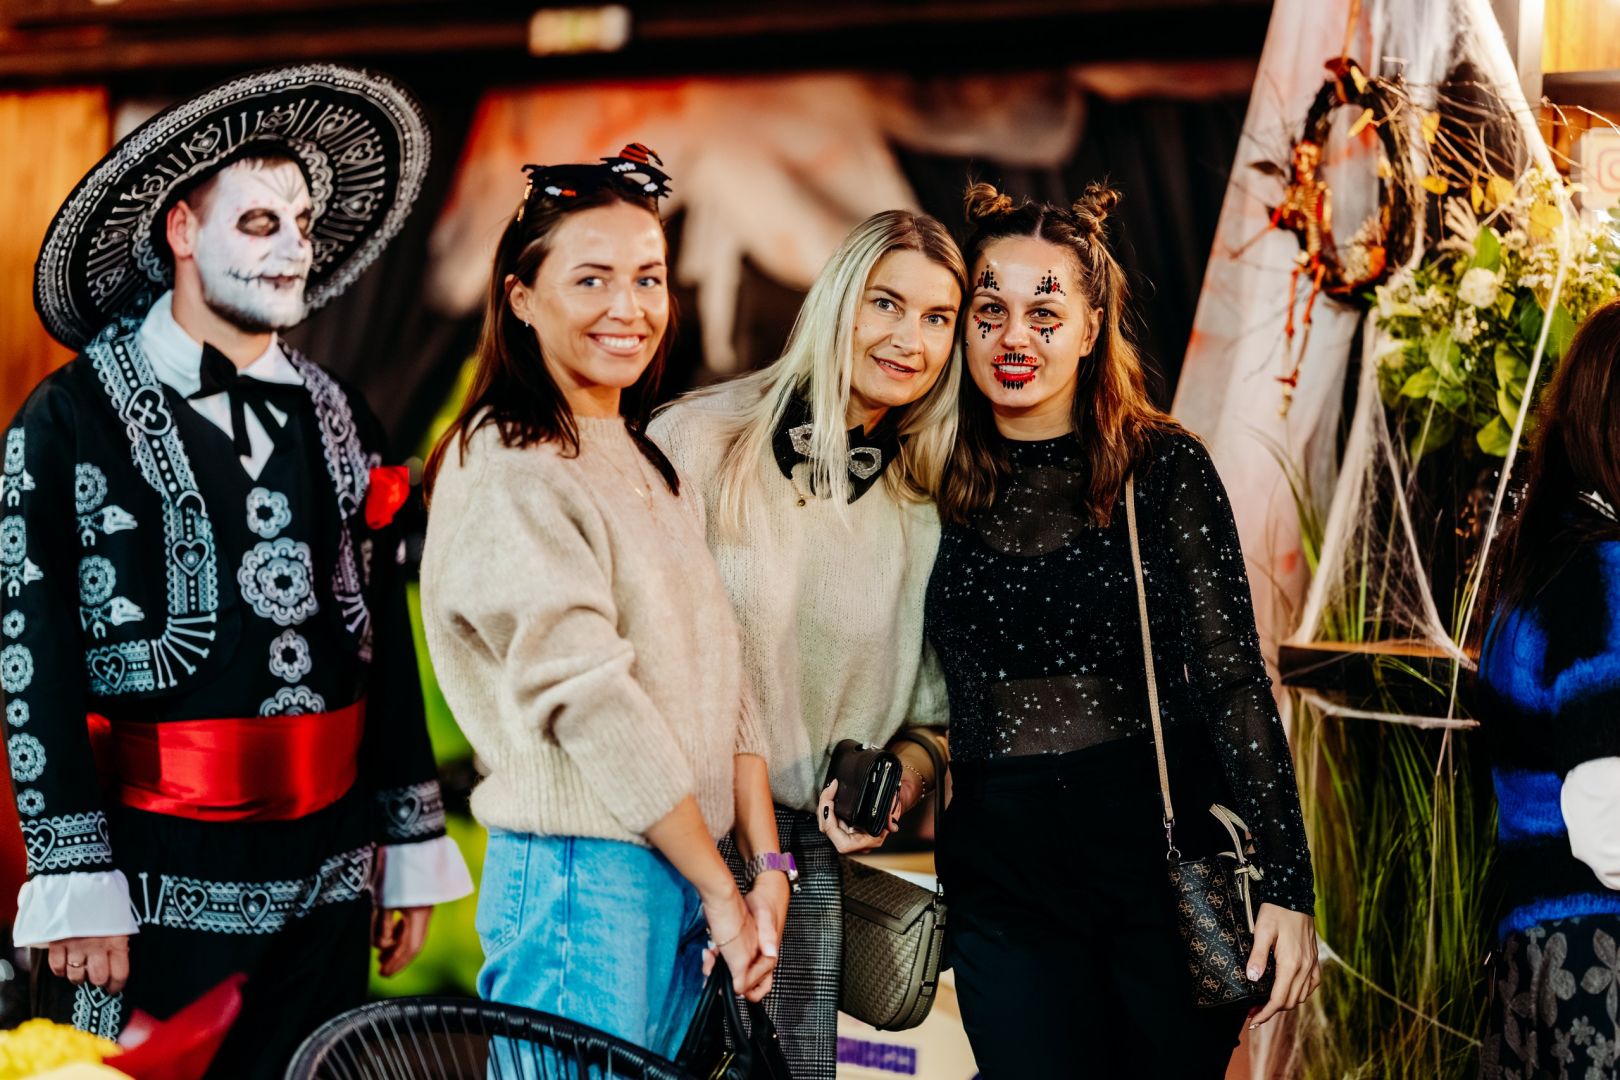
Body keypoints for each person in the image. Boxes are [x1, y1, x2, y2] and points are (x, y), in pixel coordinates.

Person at [5, 64, 471, 1075]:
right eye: (261, 223)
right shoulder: (68, 419)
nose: (295, 247)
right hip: (143, 887)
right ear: (181, 230)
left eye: (302, 224)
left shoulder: (344, 414)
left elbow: (382, 638)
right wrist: (75, 877)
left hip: (329, 882)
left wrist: (407, 838)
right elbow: (27, 655)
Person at [923, 182, 1319, 1077]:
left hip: (1155, 862)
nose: (1015, 337)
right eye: (990, 311)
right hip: (1001, 875)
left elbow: (1231, 678)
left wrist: (1289, 885)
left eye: (1045, 313)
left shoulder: (1161, 464)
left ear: (1092, 328)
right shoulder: (931, 471)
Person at [419, 145, 777, 1060]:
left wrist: (759, 865)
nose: (630, 307)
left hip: (676, 866)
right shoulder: (508, 459)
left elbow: (722, 668)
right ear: (521, 297)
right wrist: (721, 888)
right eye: (592, 279)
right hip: (582, 872)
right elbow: (589, 696)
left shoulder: (642, 456)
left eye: (648, 278)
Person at [648, 209, 962, 1078]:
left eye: (937, 317)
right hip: (669, 842)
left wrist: (894, 782)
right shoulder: (698, 440)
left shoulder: (922, 506)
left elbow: (933, 722)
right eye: (886, 303)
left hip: (804, 870)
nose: (910, 339)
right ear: (837, 301)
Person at [1475, 301, 1620, 1080]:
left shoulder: (1544, 557)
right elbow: (1609, 826)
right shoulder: (1602, 573)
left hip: (1541, 955)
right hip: (1596, 959)